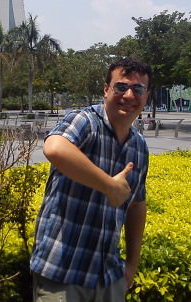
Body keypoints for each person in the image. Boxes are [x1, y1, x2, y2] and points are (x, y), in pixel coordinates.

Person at [30, 57, 152, 301]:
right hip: (62, 275)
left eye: (137, 89)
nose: (129, 95)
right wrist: (109, 185)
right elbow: (54, 148)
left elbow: (137, 205)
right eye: (121, 87)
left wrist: (131, 265)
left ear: (146, 96)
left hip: (108, 277)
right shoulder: (85, 121)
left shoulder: (139, 147)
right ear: (106, 89)